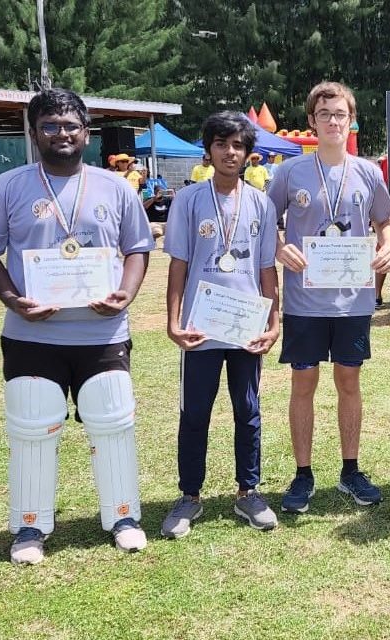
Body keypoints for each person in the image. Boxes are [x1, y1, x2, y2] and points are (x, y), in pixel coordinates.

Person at [0, 88, 155, 565]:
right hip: (32, 333)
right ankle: (30, 526)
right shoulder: (8, 187)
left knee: (113, 421)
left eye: (71, 125)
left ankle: (123, 516)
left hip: (102, 331)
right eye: (50, 126)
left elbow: (138, 248)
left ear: (87, 133)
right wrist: (13, 299)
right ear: (34, 134)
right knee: (32, 426)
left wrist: (127, 293)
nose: (62, 134)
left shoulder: (115, 187)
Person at [268, 81, 390, 512]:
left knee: (349, 382)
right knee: (303, 383)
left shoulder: (366, 172)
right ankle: (303, 475)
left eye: (340, 114)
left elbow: (384, 221)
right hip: (305, 302)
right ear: (312, 121)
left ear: (351, 120)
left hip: (353, 302)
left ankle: (350, 470)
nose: (333, 121)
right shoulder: (289, 173)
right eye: (324, 114)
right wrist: (277, 246)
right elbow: (264, 222)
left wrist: (388, 247)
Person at [160, 111, 282, 537]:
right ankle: (189, 496)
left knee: (248, 410)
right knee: (195, 411)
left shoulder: (261, 204)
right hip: (201, 325)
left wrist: (274, 320)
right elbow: (178, 264)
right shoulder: (189, 200)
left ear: (249, 154)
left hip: (245, 325)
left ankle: (248, 491)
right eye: (221, 144)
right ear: (208, 150)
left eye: (238, 146)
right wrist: (173, 321)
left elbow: (267, 268)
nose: (230, 152)